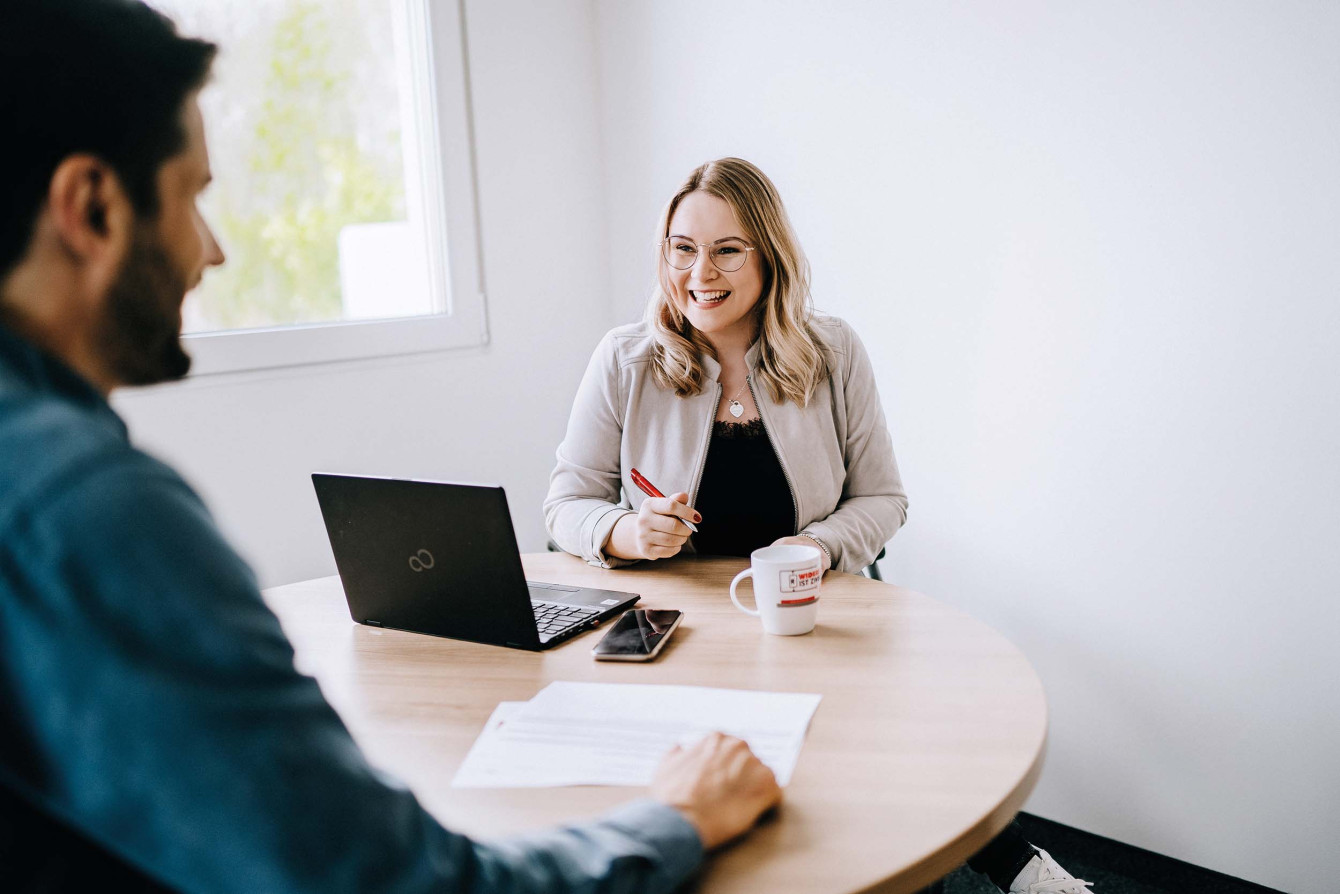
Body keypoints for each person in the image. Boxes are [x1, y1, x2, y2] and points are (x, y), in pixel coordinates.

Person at [0, 2, 781, 892]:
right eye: (193, 198)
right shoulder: (87, 509)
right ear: (91, 207)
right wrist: (674, 817)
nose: (211, 252)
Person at [544, 158, 1092, 893]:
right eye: (682, 247)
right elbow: (565, 505)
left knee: (900, 740)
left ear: (769, 255)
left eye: (726, 249)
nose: (698, 272)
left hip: (811, 611)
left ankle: (1019, 868)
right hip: (678, 628)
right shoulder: (626, 359)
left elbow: (884, 500)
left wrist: (817, 545)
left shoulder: (832, 352)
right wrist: (625, 531)